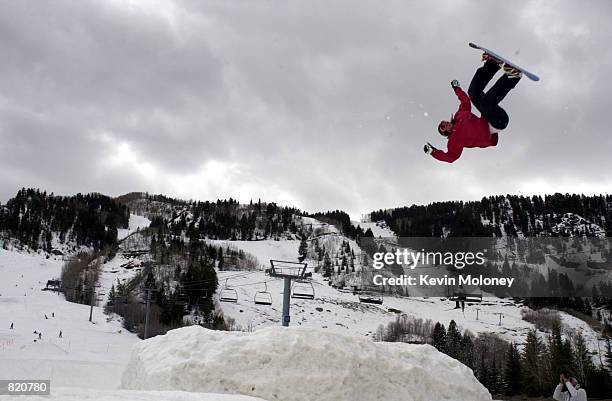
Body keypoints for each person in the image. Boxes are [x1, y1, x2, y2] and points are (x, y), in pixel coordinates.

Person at [425, 54, 522, 163]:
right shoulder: (455, 139)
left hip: (487, 116)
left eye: (443, 122)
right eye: (443, 127)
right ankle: (512, 77)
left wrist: (457, 89)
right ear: (446, 133)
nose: (445, 124)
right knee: (486, 103)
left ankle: (493, 64)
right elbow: (451, 157)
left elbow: (465, 102)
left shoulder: (459, 116)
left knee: (473, 93)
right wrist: (433, 152)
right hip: (498, 122)